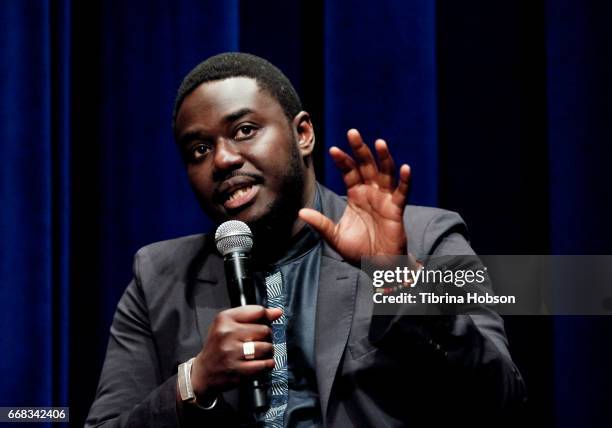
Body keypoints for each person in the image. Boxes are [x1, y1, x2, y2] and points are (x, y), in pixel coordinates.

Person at [86, 52, 526, 427]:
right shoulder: (158, 275)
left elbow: (501, 401)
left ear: (302, 134)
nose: (221, 159)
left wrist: (400, 282)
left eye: (244, 131)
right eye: (198, 149)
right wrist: (194, 381)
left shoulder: (426, 238)